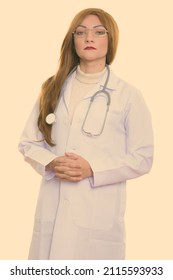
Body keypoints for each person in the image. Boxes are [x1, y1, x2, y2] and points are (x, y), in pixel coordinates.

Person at [18, 8, 154, 260]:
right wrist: (52, 162)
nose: (89, 38)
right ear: (73, 41)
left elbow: (142, 157)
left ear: (110, 39)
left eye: (98, 32)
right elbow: (28, 142)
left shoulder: (128, 95)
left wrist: (92, 168)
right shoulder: (52, 88)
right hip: (52, 214)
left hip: (97, 220)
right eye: (81, 32)